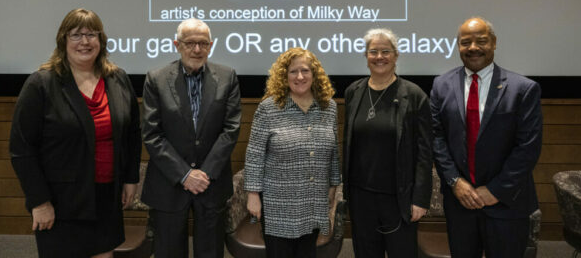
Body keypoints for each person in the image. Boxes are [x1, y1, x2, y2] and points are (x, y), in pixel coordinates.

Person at [9, 8, 141, 258]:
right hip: (61, 203)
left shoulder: (118, 79)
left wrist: (130, 178)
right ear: (63, 40)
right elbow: (22, 149)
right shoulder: (41, 83)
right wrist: (39, 202)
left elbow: (132, 134)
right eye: (76, 35)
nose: (85, 42)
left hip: (106, 198)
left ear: (101, 41)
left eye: (92, 34)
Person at [430, 17, 543, 258]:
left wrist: (495, 190)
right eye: (465, 42)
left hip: (506, 204)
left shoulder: (523, 89)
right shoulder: (442, 85)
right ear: (458, 46)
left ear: (494, 43)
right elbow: (436, 138)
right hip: (460, 203)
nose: (473, 47)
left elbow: (528, 148)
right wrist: (454, 182)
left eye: (481, 41)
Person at [141, 18, 241, 258]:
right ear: (177, 45)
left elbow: (231, 129)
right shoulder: (156, 79)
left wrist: (203, 174)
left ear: (211, 45)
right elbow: (152, 134)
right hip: (169, 184)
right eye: (190, 43)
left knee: (211, 253)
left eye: (203, 43)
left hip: (211, 183)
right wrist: (185, 175)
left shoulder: (227, 77)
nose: (197, 49)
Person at [343, 28, 433, 258]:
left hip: (399, 199)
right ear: (366, 56)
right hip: (361, 198)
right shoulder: (354, 92)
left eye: (386, 51)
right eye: (373, 51)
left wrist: (420, 199)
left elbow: (424, 153)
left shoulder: (414, 96)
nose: (379, 57)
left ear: (396, 55)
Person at [244, 47, 341, 258]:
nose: (299, 77)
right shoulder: (269, 108)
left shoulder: (329, 107)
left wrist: (334, 186)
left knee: (307, 253)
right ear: (283, 76)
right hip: (278, 204)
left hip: (314, 200)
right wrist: (253, 195)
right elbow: (254, 154)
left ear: (314, 75)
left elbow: (334, 152)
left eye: (305, 70)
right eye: (293, 71)